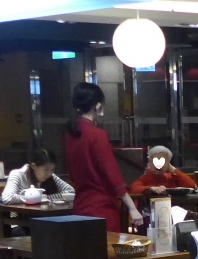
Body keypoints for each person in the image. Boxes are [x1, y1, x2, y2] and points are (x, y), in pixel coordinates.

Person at [62, 83, 144, 233]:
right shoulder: (97, 135)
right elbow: (112, 174)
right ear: (98, 105)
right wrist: (132, 208)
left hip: (80, 206)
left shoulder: (71, 134)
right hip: (101, 209)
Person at [0, 149, 74, 203]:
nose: (49, 173)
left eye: (52, 170)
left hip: (46, 216)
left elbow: (71, 191)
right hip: (22, 217)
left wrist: (47, 198)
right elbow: (8, 198)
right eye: (46, 170)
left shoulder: (51, 176)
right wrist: (36, 198)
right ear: (33, 166)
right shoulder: (18, 174)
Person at [130, 145, 196, 196]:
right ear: (149, 162)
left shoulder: (172, 176)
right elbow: (134, 189)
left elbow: (192, 186)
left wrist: (173, 169)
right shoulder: (144, 175)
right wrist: (151, 189)